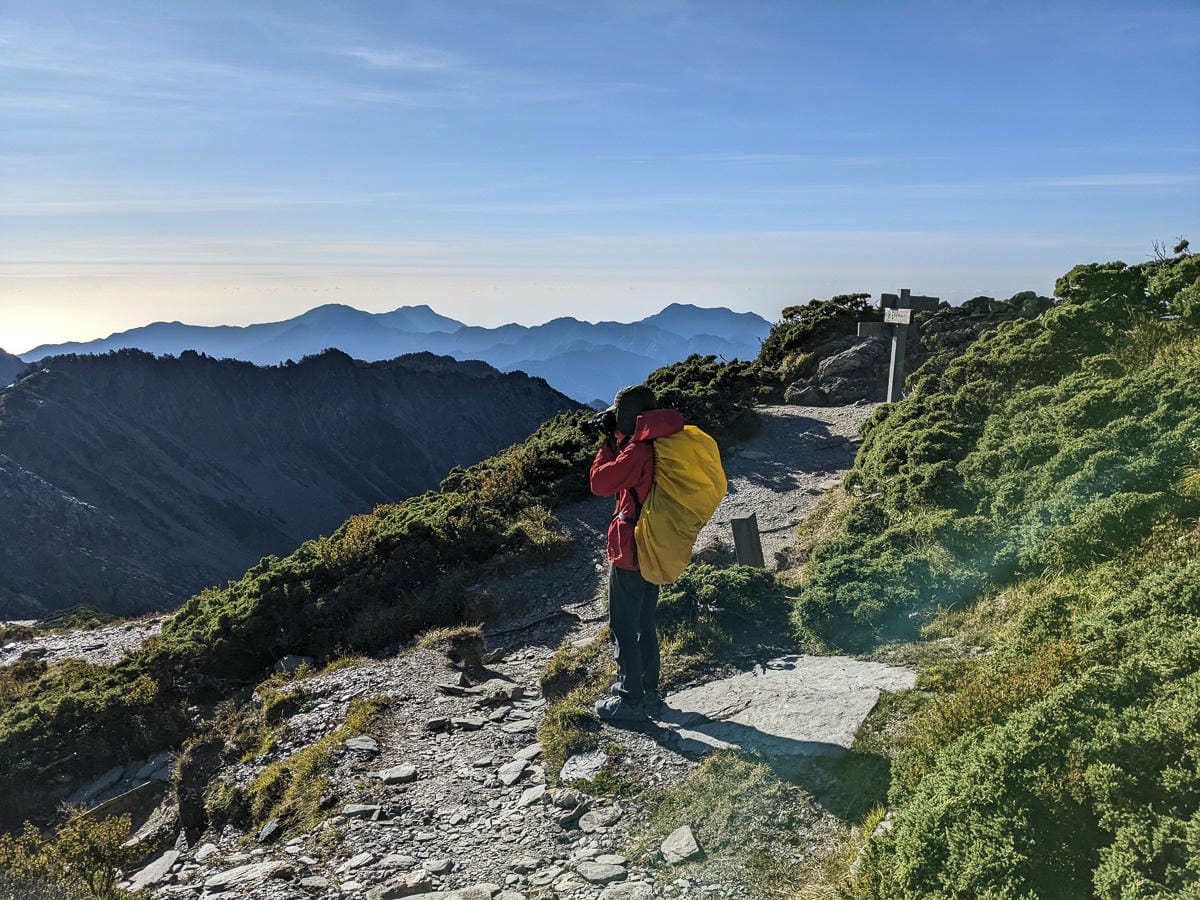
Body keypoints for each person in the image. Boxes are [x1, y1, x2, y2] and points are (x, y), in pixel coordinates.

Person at [588, 384, 684, 722]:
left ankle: (629, 699)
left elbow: (600, 483)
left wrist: (605, 444)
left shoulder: (638, 451)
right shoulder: (664, 441)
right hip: (655, 543)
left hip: (632, 548)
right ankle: (649, 689)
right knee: (644, 620)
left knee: (624, 624)